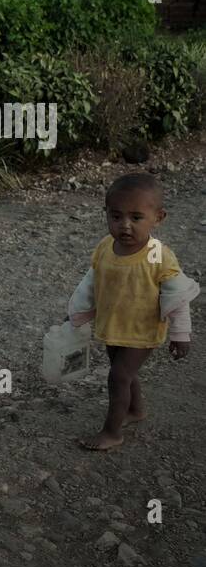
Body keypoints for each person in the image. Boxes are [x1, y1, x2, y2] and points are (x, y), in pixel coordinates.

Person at [68, 172, 198, 451]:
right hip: (113, 326)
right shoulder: (105, 248)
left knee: (118, 376)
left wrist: (180, 333)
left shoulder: (159, 256)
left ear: (158, 218)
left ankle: (112, 431)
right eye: (116, 217)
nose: (125, 226)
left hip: (142, 329)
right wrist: (76, 313)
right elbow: (92, 281)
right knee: (125, 372)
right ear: (106, 214)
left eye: (136, 218)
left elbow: (178, 295)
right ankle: (135, 410)